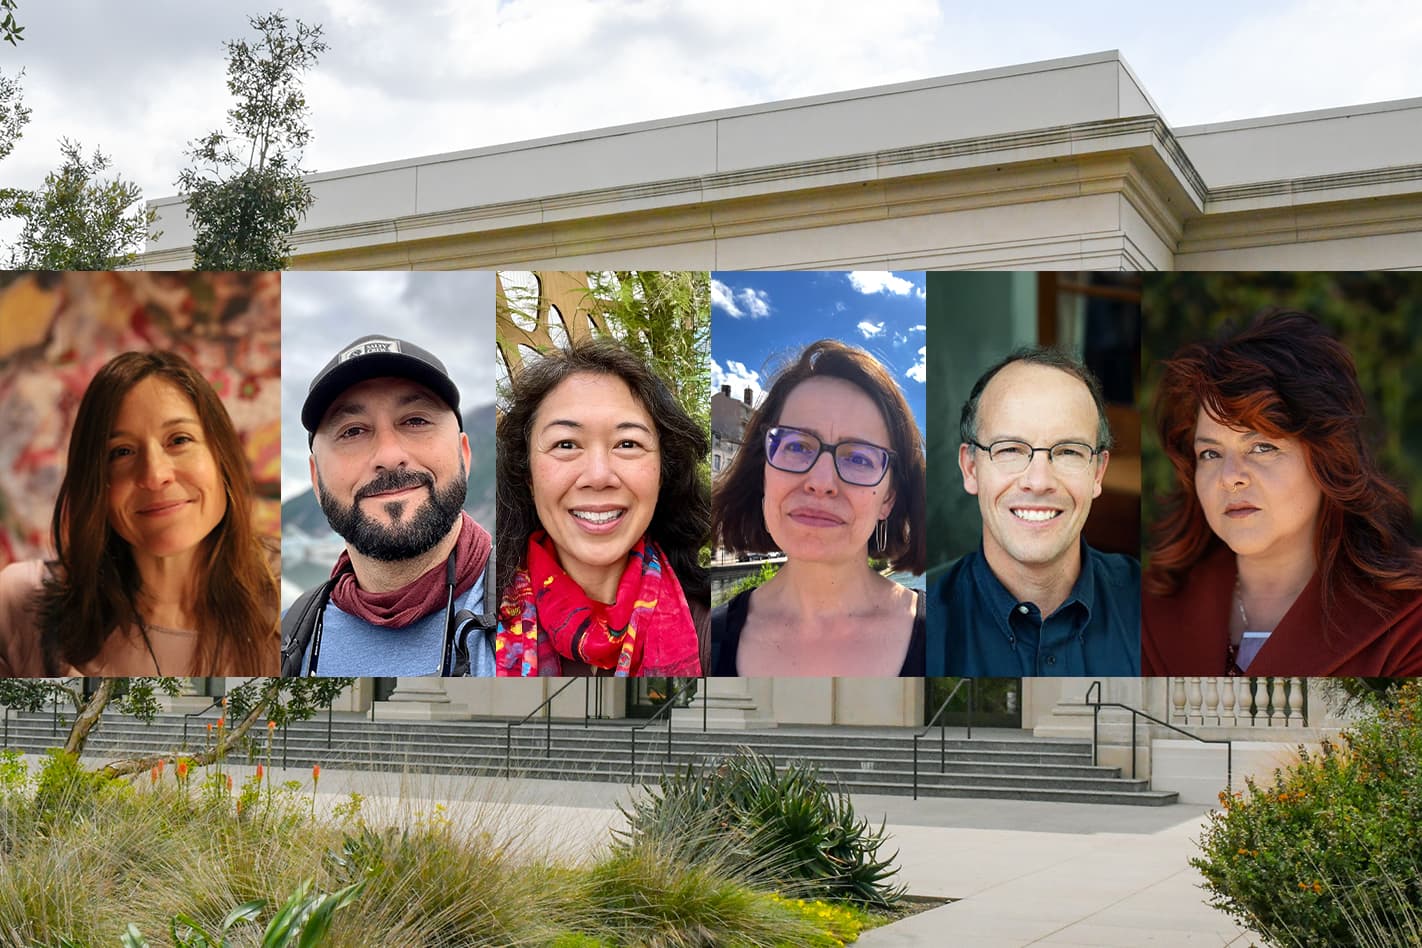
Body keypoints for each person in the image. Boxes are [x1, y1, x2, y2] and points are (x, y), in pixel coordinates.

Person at [1142, 310, 1422, 675]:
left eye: (1262, 448)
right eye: (1210, 453)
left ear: (1325, 457)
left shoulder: (1407, 619)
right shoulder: (1149, 610)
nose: (1230, 478)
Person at [0, 351, 278, 676]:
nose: (154, 475)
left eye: (179, 440)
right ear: (95, 479)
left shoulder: (290, 611)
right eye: (121, 452)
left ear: (222, 457)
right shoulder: (18, 606)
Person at [281, 335, 496, 677]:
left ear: (464, 456)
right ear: (316, 479)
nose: (389, 456)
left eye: (415, 421)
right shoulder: (288, 635)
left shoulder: (535, 613)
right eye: (352, 431)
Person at [711, 339, 927, 676]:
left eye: (858, 457)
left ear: (889, 497)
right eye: (797, 446)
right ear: (763, 474)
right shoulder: (704, 639)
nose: (821, 481)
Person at [494, 339, 708, 677]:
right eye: (565, 444)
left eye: (627, 444)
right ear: (527, 474)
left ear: (663, 473)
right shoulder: (472, 624)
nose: (598, 476)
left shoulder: (714, 631)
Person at [929, 348, 1140, 677]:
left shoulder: (1154, 607)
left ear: (1097, 473)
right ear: (971, 468)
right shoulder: (919, 628)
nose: (1039, 481)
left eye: (1069, 451)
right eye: (1010, 449)